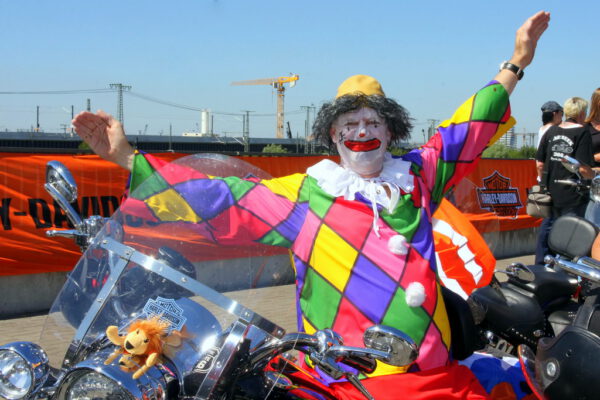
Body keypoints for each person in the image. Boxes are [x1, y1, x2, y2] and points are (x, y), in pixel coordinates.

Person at [73, 11, 550, 400]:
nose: (361, 132)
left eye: (373, 121)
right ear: (331, 135)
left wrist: (516, 62)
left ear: (391, 130)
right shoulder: (306, 193)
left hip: (432, 375)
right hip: (340, 381)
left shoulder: (418, 177)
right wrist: (127, 158)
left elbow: (468, 127)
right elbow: (218, 198)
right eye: (349, 123)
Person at [536, 97, 594, 225]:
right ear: (582, 113)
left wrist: (543, 184)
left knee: (547, 229)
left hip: (550, 192)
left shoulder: (551, 130)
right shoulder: (582, 132)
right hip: (573, 194)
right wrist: (593, 176)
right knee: (569, 234)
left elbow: (540, 164)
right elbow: (583, 169)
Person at [534, 101, 563, 265]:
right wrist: (544, 183)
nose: (562, 116)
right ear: (554, 114)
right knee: (549, 221)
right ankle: (542, 257)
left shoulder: (542, 129)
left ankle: (544, 256)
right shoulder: (551, 130)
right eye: (560, 112)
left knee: (549, 220)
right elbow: (541, 162)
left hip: (543, 179)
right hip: (548, 180)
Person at [584, 88, 600, 225]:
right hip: (594, 179)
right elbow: (579, 156)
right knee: (593, 222)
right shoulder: (585, 127)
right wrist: (596, 157)